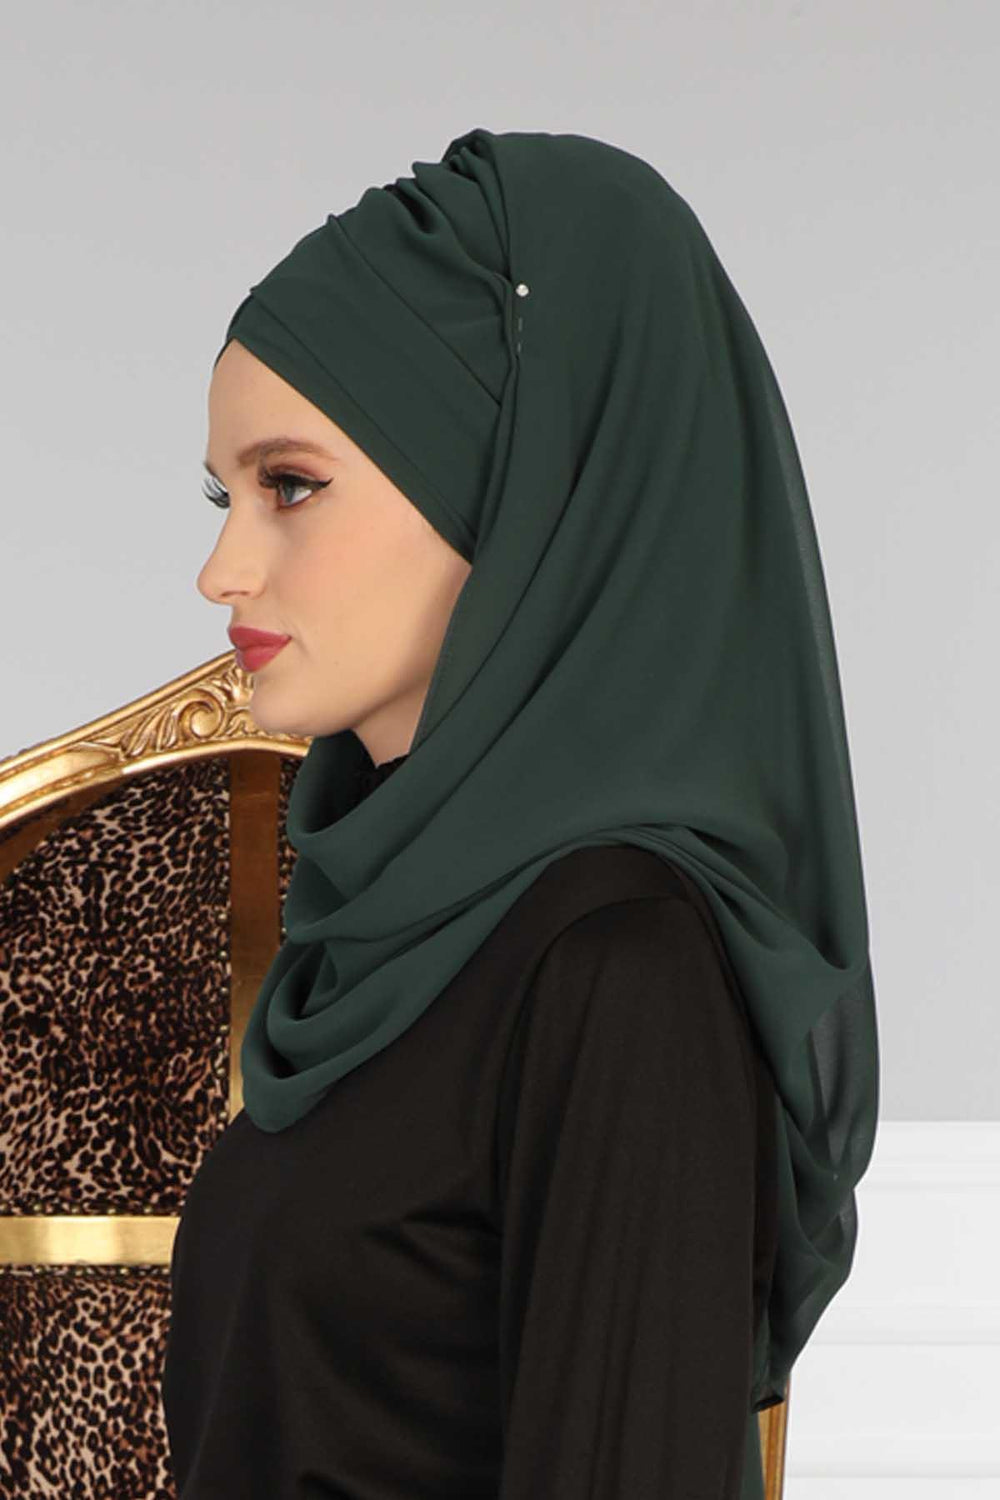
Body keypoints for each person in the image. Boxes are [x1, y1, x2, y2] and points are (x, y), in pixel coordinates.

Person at [161, 126, 879, 1500]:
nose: (222, 567)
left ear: (511, 492)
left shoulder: (620, 969)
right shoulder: (369, 946)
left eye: (290, 485)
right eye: (224, 493)